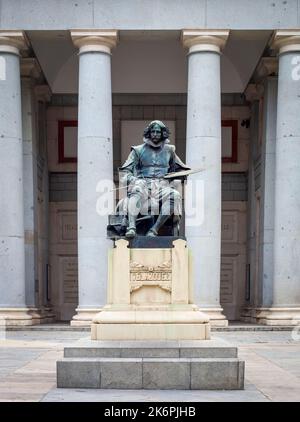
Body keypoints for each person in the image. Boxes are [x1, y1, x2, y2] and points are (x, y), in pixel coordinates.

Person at [118, 120, 190, 238]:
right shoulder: (138, 150)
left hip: (162, 186)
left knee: (175, 195)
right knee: (137, 188)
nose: (155, 134)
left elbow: (181, 169)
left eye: (158, 132)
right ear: (149, 133)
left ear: (163, 134)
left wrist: (179, 175)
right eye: (153, 131)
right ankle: (131, 227)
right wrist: (132, 179)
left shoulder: (169, 151)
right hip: (143, 184)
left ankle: (154, 229)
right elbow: (125, 171)